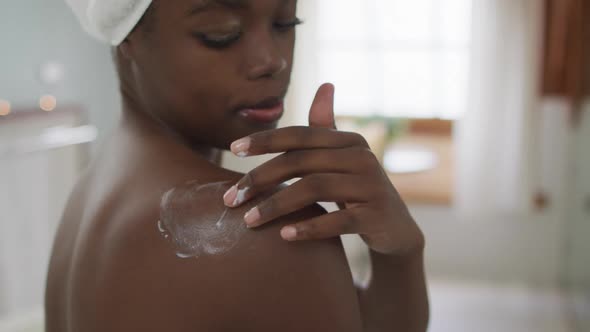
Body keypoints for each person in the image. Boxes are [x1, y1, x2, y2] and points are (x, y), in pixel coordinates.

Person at [46, 0, 429, 331]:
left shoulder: (90, 191)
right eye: (221, 33)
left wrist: (400, 252)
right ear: (126, 35)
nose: (271, 61)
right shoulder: (259, 231)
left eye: (285, 22)